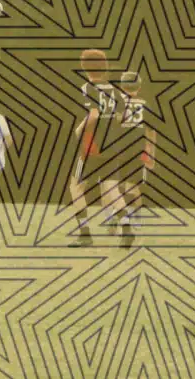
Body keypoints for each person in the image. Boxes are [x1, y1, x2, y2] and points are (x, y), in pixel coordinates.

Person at [68, 49, 122, 248]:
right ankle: (122, 222)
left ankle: (84, 234)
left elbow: (93, 115)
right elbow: (118, 117)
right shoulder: (114, 89)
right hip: (111, 143)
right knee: (110, 186)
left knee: (76, 186)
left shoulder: (88, 87)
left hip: (92, 145)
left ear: (85, 67)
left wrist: (81, 128)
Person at [114, 71, 157, 246]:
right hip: (137, 149)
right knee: (133, 186)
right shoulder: (145, 104)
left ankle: (124, 219)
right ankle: (136, 217)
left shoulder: (118, 104)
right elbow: (151, 131)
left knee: (117, 187)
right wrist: (151, 152)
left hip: (120, 150)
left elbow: (113, 125)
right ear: (139, 88)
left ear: (122, 86)